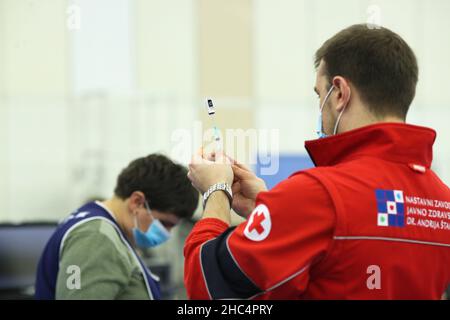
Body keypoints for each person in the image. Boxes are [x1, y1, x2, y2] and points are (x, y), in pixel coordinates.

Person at [184, 24, 450, 299]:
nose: (319, 105)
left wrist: (216, 191)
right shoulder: (442, 202)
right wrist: (270, 209)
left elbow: (207, 286)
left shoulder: (318, 193)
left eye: (318, 94)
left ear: (339, 93)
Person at [35, 154, 199, 300]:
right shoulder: (96, 238)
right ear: (137, 202)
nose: (167, 233)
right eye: (164, 223)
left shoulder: (99, 223)